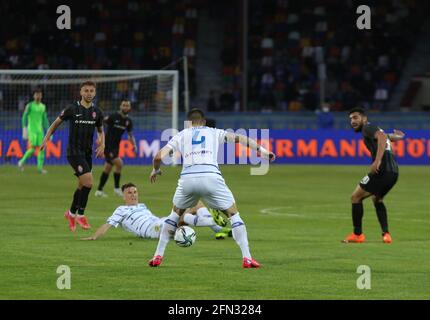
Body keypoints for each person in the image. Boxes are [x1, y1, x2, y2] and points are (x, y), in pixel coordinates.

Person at [148, 108, 275, 268]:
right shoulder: (214, 132)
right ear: (204, 121)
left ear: (188, 123)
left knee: (174, 215)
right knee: (233, 215)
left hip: (187, 179)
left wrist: (156, 169)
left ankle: (157, 256)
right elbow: (241, 138)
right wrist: (263, 152)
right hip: (211, 177)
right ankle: (247, 258)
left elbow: (158, 156)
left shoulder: (181, 135)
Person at [41, 81, 105, 232]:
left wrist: (102, 144)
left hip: (87, 153)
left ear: (94, 93)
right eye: (86, 91)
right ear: (81, 92)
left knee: (82, 185)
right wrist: (46, 138)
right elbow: (55, 124)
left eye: (91, 91)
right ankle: (80, 215)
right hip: (74, 152)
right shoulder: (72, 109)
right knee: (89, 182)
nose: (89, 93)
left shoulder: (97, 112)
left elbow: (101, 130)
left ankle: (70, 213)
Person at [81, 183, 231, 241]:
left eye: (135, 192)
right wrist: (94, 236)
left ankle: (218, 229)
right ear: (124, 196)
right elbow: (108, 224)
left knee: (194, 201)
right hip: (153, 230)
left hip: (160, 221)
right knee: (185, 213)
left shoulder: (143, 205)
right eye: (129, 193)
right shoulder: (121, 210)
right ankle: (216, 223)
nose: (133, 195)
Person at [343, 107, 404, 244]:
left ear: (364, 118)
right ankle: (386, 234)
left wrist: (377, 161)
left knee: (355, 197)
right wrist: (398, 137)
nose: (353, 121)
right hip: (393, 173)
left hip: (381, 171)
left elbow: (382, 137)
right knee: (377, 199)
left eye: (356, 118)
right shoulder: (375, 129)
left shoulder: (367, 128)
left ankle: (357, 235)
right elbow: (386, 136)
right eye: (351, 119)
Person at [95, 100, 137, 198]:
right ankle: (117, 189)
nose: (125, 107)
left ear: (129, 108)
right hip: (107, 146)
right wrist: (100, 138)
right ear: (120, 106)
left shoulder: (128, 121)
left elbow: (130, 135)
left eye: (127, 106)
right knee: (119, 163)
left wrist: (134, 145)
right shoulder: (113, 117)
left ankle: (99, 191)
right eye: (124, 105)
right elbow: (99, 123)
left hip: (115, 147)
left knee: (108, 168)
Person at [18, 89, 50, 174]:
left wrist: (48, 130)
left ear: (41, 96)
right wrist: (24, 129)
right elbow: (24, 117)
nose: (38, 96)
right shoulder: (29, 106)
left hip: (40, 131)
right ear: (34, 96)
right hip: (31, 130)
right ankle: (21, 162)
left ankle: (40, 168)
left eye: (39, 94)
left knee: (42, 149)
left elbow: (45, 119)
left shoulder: (43, 106)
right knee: (32, 148)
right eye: (36, 94)